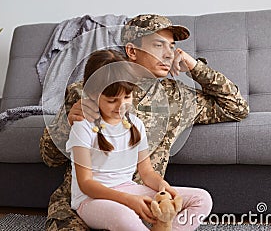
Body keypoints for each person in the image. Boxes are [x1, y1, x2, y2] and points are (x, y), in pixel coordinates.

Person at [40, 14, 250, 230]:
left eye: (172, 46)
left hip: (144, 207)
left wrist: (195, 67)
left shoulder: (177, 98)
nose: (169, 54)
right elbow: (50, 158)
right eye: (159, 45)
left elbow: (237, 107)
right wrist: (66, 122)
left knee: (196, 201)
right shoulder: (86, 90)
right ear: (132, 51)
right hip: (82, 204)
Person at [67, 50, 211, 230]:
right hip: (91, 200)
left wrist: (163, 187)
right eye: (112, 100)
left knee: (202, 199)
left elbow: (147, 172)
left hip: (129, 189)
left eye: (127, 97)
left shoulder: (135, 124)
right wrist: (129, 201)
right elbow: (86, 184)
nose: (121, 106)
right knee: (124, 216)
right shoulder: (83, 127)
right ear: (93, 95)